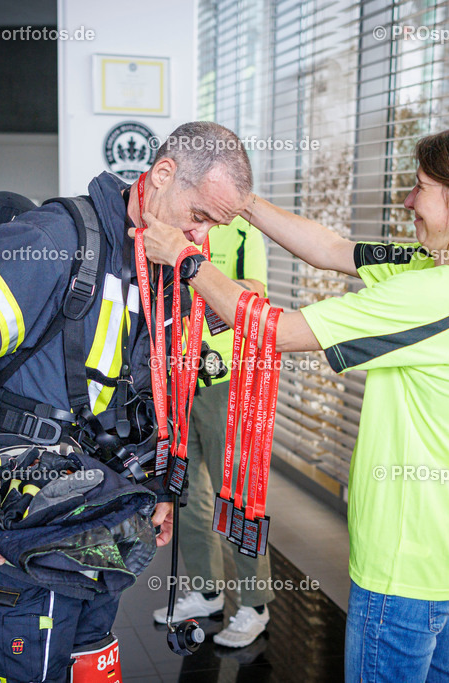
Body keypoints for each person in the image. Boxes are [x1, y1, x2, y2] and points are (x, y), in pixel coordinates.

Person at [135, 122, 449, 682]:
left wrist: (186, 259)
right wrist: (241, 202)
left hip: (404, 562)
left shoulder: (432, 293)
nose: (407, 200)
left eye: (421, 187)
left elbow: (276, 331)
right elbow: (330, 249)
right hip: (447, 546)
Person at [0, 121, 253, 682]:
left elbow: (154, 393)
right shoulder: (55, 239)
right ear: (160, 176)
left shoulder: (165, 270)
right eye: (200, 216)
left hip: (103, 528)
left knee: (90, 666)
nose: (200, 238)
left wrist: (161, 487)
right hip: (24, 531)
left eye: (213, 226)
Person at [150, 215, 275, 648]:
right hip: (177, 380)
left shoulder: (242, 231)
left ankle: (255, 604)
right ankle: (206, 590)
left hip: (227, 381)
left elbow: (255, 291)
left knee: (238, 496)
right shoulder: (173, 222)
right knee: (190, 496)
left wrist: (200, 284)